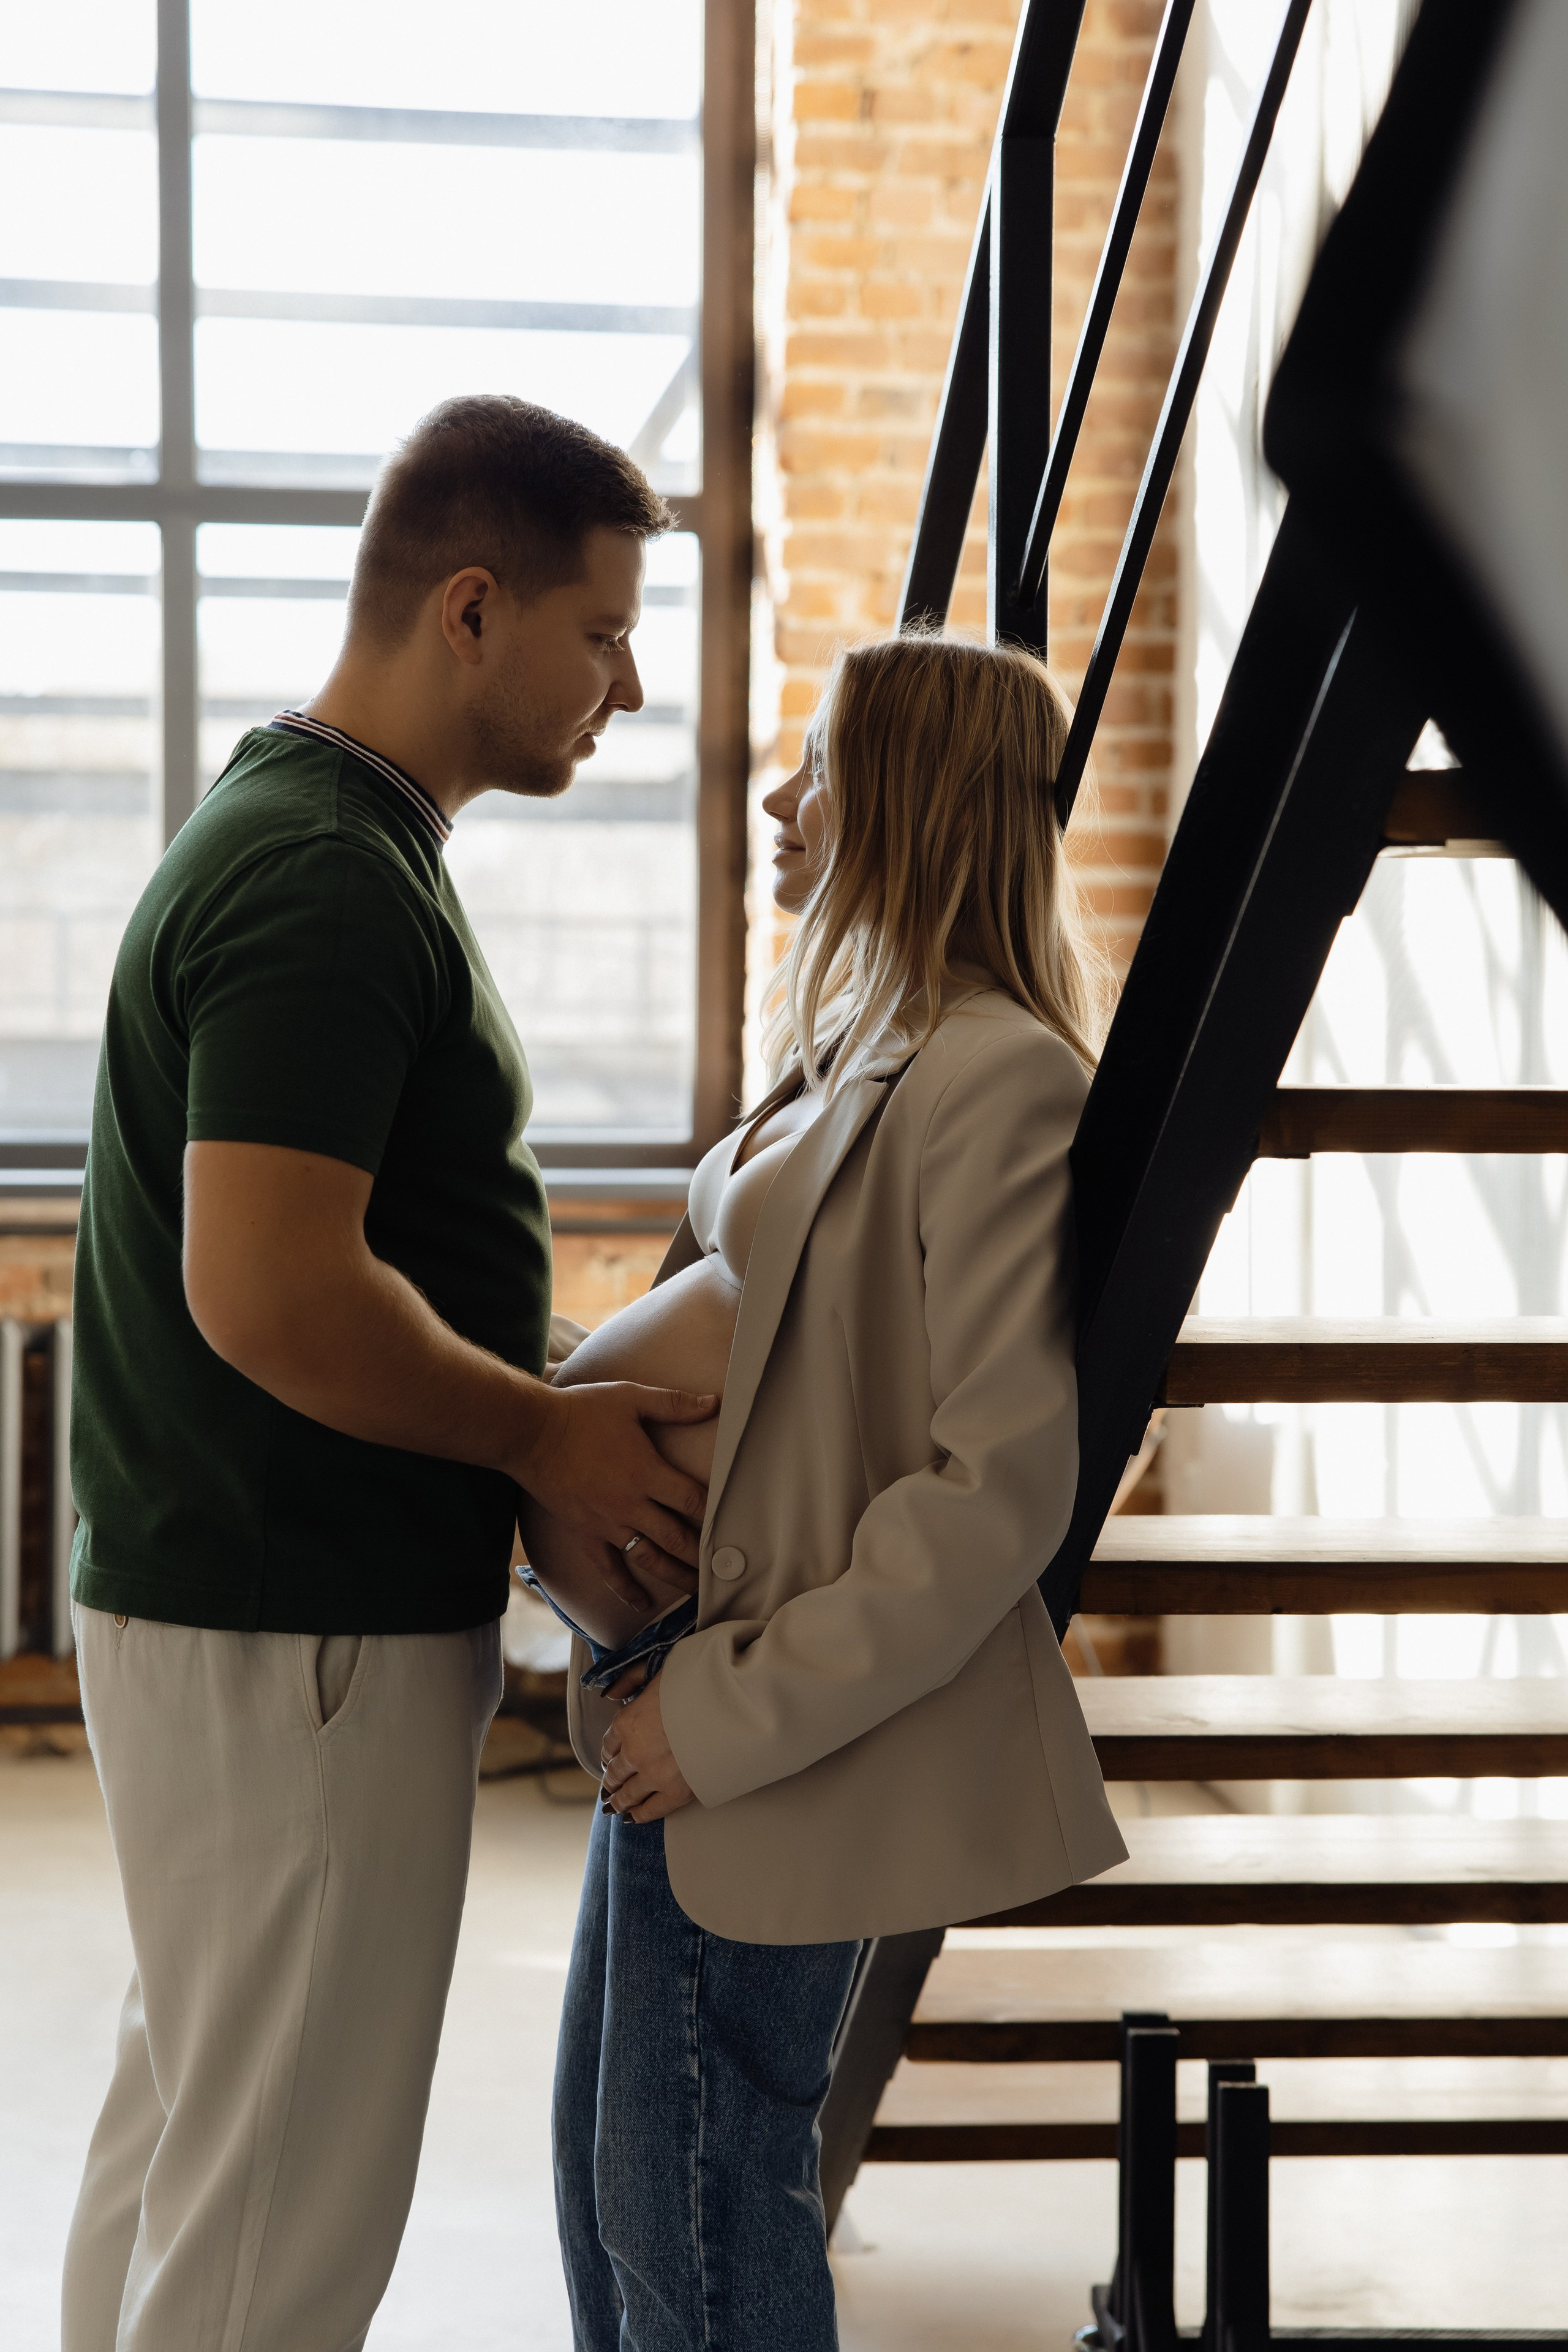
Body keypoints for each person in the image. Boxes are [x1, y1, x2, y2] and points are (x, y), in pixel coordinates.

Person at [61, 396, 715, 2352]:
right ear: (468, 609)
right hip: (301, 1621)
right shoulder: (322, 877)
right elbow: (269, 1292)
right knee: (282, 2215)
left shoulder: (328, 835)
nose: (629, 682)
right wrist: (544, 1434)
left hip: (263, 1605)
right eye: (601, 633)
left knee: (203, 2134)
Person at [533, 633, 1131, 2352]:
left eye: (820, 767)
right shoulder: (878, 1050)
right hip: (688, 1692)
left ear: (918, 804)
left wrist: (719, 1719)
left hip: (762, 1726)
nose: (782, 802)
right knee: (622, 2201)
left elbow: (991, 1489)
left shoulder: (999, 1079)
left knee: (700, 2226)